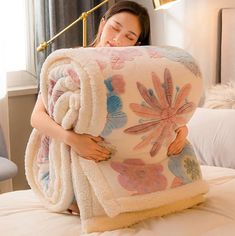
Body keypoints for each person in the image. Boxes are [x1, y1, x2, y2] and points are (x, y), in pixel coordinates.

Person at [31, 0, 187, 213]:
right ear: (102, 24)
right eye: (115, 28)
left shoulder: (136, 73)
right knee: (84, 203)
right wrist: (74, 140)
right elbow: (37, 117)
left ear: (137, 45)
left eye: (129, 37)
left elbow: (155, 112)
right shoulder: (69, 62)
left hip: (119, 161)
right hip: (69, 159)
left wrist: (181, 129)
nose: (118, 39)